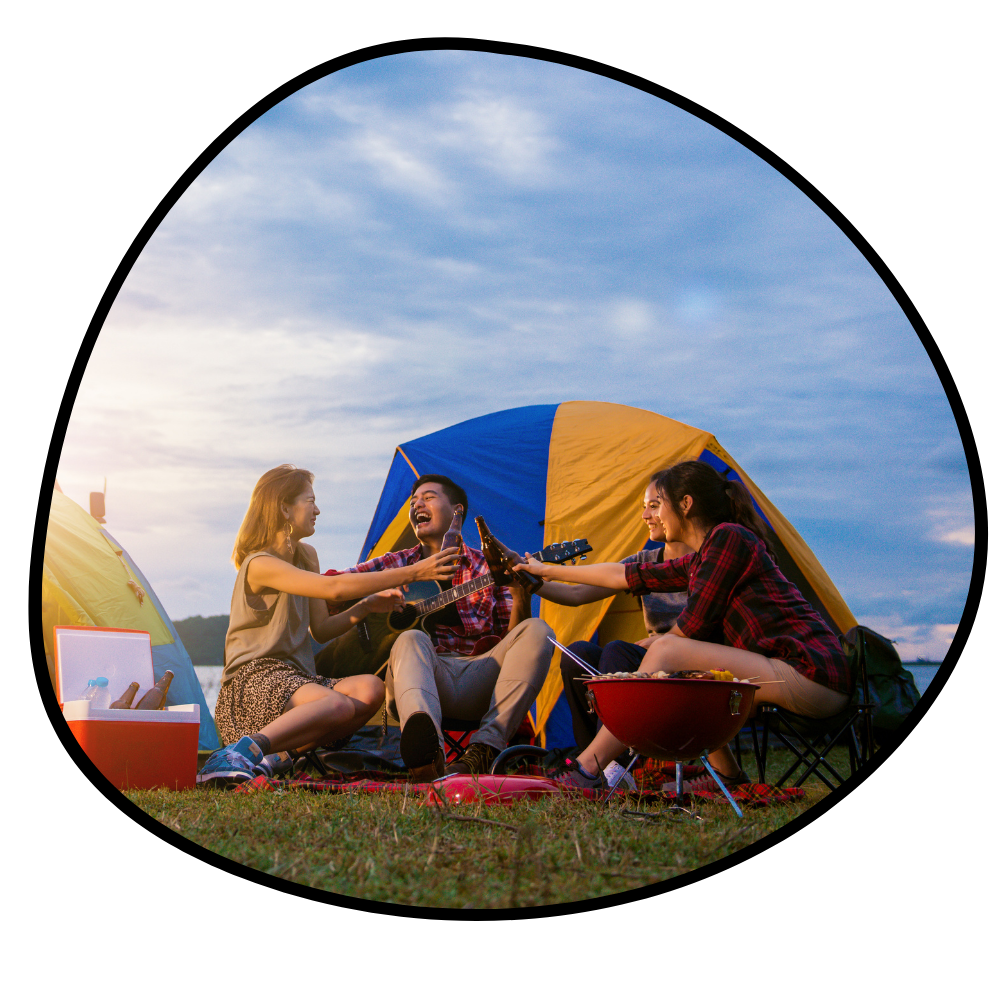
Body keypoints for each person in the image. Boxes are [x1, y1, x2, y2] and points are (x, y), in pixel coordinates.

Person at [513, 460, 851, 792]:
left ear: (685, 504)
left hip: (810, 675)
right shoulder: (706, 553)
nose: (653, 516)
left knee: (669, 650)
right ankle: (728, 777)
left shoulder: (729, 538)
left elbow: (692, 628)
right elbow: (623, 574)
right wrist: (544, 570)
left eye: (659, 505)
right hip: (784, 671)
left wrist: (645, 659)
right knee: (680, 663)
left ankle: (588, 769)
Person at [197, 465, 459, 787]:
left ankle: (272, 760)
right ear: (283, 507)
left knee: (370, 689)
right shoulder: (259, 563)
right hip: (251, 684)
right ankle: (237, 753)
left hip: (296, 680)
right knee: (334, 703)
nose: (317, 509)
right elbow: (334, 590)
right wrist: (412, 572)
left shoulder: (307, 556)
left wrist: (366, 607)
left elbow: (320, 629)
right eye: (310, 501)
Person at [334, 474, 555, 780]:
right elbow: (334, 584)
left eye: (428, 497)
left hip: (479, 678)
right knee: (411, 637)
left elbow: (512, 641)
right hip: (417, 681)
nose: (417, 505)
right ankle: (428, 757)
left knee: (538, 631)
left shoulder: (486, 567)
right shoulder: (397, 564)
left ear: (457, 511)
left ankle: (484, 750)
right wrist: (368, 604)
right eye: (413, 501)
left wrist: (520, 594)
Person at [533, 474, 693, 755]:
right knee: (577, 653)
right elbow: (577, 594)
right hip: (651, 666)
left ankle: (603, 764)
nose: (645, 515)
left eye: (654, 506)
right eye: (644, 506)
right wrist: (531, 580)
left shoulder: (710, 561)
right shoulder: (644, 561)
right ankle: (592, 761)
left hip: (688, 664)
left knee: (617, 652)